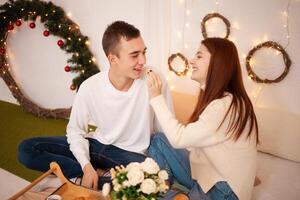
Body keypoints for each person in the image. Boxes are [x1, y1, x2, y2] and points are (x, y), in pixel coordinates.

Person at [18, 21, 173, 190]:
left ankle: (83, 178)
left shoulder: (153, 78)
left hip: (131, 155)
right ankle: (91, 175)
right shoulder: (90, 87)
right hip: (95, 145)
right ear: (113, 59)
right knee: (27, 149)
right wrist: (86, 166)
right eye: (134, 55)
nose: (143, 60)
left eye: (144, 52)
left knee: (158, 180)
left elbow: (164, 130)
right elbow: (75, 131)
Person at [146, 37, 259, 200]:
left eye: (199, 56)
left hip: (223, 191)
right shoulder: (222, 99)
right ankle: (165, 191)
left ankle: (170, 195)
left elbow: (179, 138)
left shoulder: (225, 106)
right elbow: (193, 140)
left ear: (218, 63)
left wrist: (156, 97)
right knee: (159, 140)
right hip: (208, 175)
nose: (191, 60)